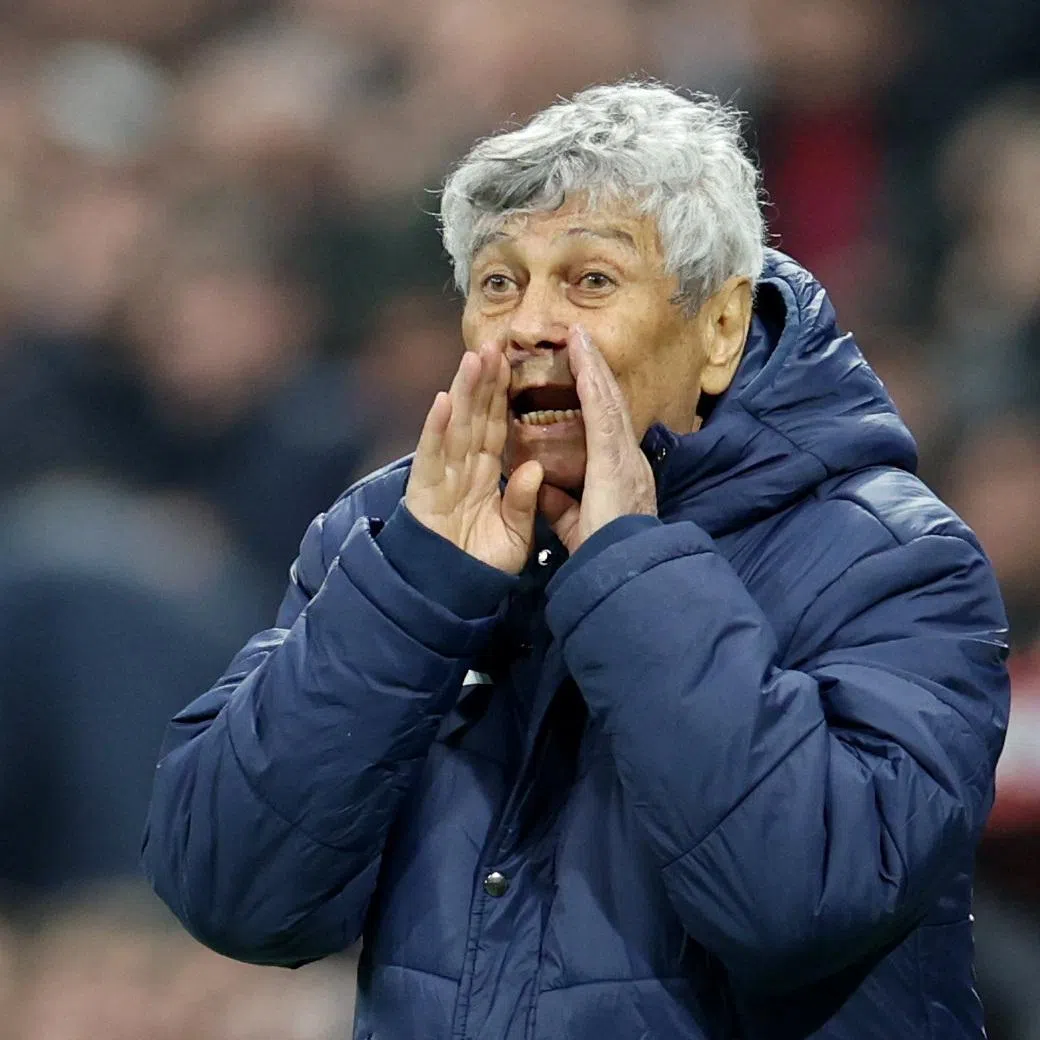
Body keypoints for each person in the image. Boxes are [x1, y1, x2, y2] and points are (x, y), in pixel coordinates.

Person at [142, 83, 1009, 1039]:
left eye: (591, 280)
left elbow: (800, 901)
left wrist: (628, 571)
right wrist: (419, 590)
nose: (529, 326)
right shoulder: (390, 537)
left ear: (719, 330)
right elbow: (231, 892)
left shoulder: (894, 561)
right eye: (498, 284)